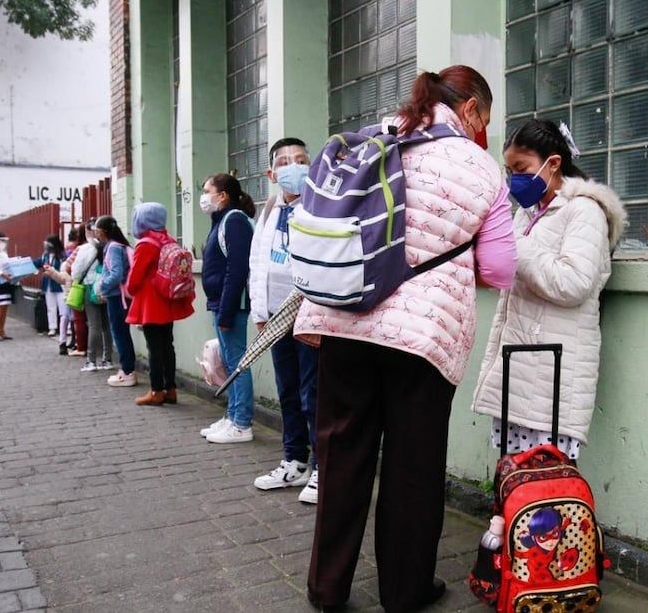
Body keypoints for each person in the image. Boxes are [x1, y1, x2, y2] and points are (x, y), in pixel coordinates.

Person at [293, 65, 518, 613]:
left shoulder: (369, 139)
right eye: (484, 117)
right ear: (469, 109)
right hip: (423, 337)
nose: (484, 128)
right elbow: (502, 268)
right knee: (412, 469)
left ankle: (327, 589)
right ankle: (405, 591)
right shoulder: (481, 169)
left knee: (342, 456)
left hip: (344, 321)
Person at [471, 118, 627, 462]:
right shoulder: (527, 214)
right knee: (515, 484)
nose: (514, 178)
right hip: (520, 368)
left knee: (547, 491)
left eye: (521, 167)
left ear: (553, 162)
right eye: (509, 169)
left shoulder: (584, 211)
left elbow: (573, 283)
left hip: (553, 375)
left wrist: (516, 247)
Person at [248, 138, 320, 502]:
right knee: (288, 391)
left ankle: (323, 468)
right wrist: (261, 312)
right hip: (276, 318)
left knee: (314, 394)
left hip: (309, 317)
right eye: (286, 161)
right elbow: (259, 261)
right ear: (272, 173)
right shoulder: (271, 207)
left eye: (302, 160)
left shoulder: (322, 203)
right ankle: (294, 460)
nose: (295, 167)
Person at [198, 174, 256, 441]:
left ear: (222, 195)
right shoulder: (222, 221)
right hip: (220, 303)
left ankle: (242, 423)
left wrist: (227, 310)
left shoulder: (234, 221)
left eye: (207, 190)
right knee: (229, 361)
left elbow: (237, 268)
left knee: (237, 364)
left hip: (231, 304)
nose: (204, 195)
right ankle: (232, 416)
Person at [126, 202, 194, 406]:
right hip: (167, 299)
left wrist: (130, 289)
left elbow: (135, 277)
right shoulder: (168, 239)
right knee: (167, 345)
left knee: (154, 347)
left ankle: (156, 391)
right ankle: (170, 389)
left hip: (150, 301)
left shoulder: (145, 243)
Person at [93, 215, 138, 388]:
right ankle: (128, 369)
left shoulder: (112, 247)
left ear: (103, 232)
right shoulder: (121, 245)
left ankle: (127, 371)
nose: (96, 233)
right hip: (122, 296)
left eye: (97, 230)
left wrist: (101, 286)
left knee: (119, 332)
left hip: (117, 297)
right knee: (122, 332)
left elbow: (116, 273)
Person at [71, 222, 113, 372]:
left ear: (90, 231)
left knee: (94, 325)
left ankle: (91, 361)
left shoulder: (85, 249)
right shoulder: (110, 247)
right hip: (107, 288)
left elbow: (75, 272)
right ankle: (107, 360)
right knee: (107, 325)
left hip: (90, 288)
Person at [62, 225, 89, 356]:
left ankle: (81, 347)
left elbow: (68, 268)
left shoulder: (81, 248)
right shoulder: (101, 246)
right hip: (96, 288)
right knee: (98, 322)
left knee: (79, 319)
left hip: (79, 287)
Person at [32, 235, 65, 337]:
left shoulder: (62, 256)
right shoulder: (45, 256)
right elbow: (37, 263)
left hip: (59, 285)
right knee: (51, 307)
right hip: (48, 285)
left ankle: (66, 328)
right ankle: (52, 327)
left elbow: (64, 269)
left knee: (63, 307)